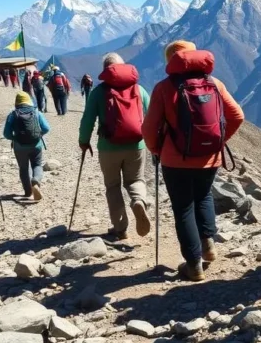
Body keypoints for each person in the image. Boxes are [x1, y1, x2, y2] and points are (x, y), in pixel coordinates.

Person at [143, 40, 244, 281]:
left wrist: (157, 148)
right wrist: (219, 141)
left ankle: (193, 264)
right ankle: (208, 245)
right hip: (209, 157)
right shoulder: (214, 83)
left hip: (174, 160)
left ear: (171, 61)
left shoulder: (164, 88)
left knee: (183, 207)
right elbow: (237, 116)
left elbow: (148, 128)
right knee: (203, 196)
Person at [79, 53, 151, 240]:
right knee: (136, 180)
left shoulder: (98, 92)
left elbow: (88, 119)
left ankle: (121, 228)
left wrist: (83, 141)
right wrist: (155, 142)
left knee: (113, 187)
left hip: (108, 146)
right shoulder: (139, 89)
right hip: (136, 144)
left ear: (105, 70)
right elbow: (152, 116)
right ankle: (138, 201)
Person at [4, 91, 50, 201]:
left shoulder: (12, 114)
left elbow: (6, 134)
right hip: (36, 144)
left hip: (19, 146)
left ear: (17, 102)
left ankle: (28, 192)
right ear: (29, 101)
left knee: (23, 169)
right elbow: (46, 128)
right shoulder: (36, 112)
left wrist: (15, 138)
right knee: (37, 165)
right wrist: (39, 135)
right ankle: (36, 182)